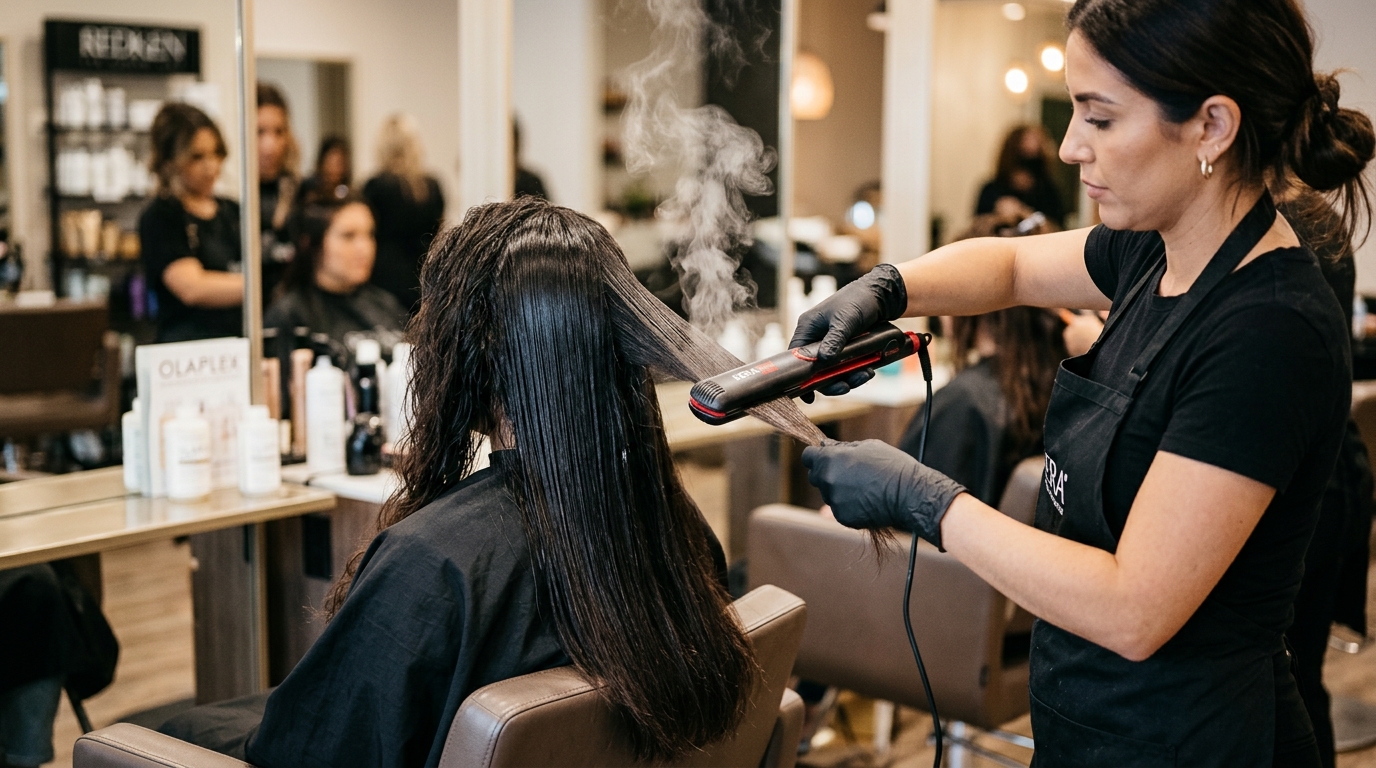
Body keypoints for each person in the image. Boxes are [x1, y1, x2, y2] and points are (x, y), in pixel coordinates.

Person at [792, 0, 1373, 764]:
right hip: (1089, 725)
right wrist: (888, 286)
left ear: (1212, 126)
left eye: (1098, 118)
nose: (1070, 148)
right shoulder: (1152, 251)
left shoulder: (1268, 331)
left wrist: (924, 499)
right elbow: (1011, 264)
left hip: (1190, 742)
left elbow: (1135, 607)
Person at [160, 198, 755, 767]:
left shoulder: (432, 564)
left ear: (466, 355)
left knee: (175, 732)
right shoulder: (682, 529)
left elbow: (313, 750)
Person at [138, 103, 243, 343]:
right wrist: (260, 285)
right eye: (197, 157)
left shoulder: (233, 211)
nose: (211, 167)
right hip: (185, 357)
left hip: (236, 347)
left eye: (215, 153)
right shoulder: (161, 217)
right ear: (169, 161)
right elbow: (192, 289)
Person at [264, 195, 407, 355]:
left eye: (370, 234)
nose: (364, 248)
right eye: (348, 236)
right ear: (312, 244)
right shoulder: (289, 316)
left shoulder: (387, 305)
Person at [363, 114, 445, 314]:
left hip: (383, 279)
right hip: (424, 276)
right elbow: (437, 234)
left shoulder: (375, 187)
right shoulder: (432, 187)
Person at [257, 83, 301, 301]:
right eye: (259, 132)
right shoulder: (231, 201)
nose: (270, 145)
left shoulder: (300, 191)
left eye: (279, 132)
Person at [975, 125, 1067, 229]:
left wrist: (1023, 212)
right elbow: (976, 227)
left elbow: (1057, 229)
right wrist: (998, 217)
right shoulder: (991, 190)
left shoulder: (1048, 192)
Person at [297, 136, 352, 205]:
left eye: (339, 163)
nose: (335, 169)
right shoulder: (307, 191)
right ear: (321, 163)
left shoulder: (349, 195)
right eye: (331, 163)